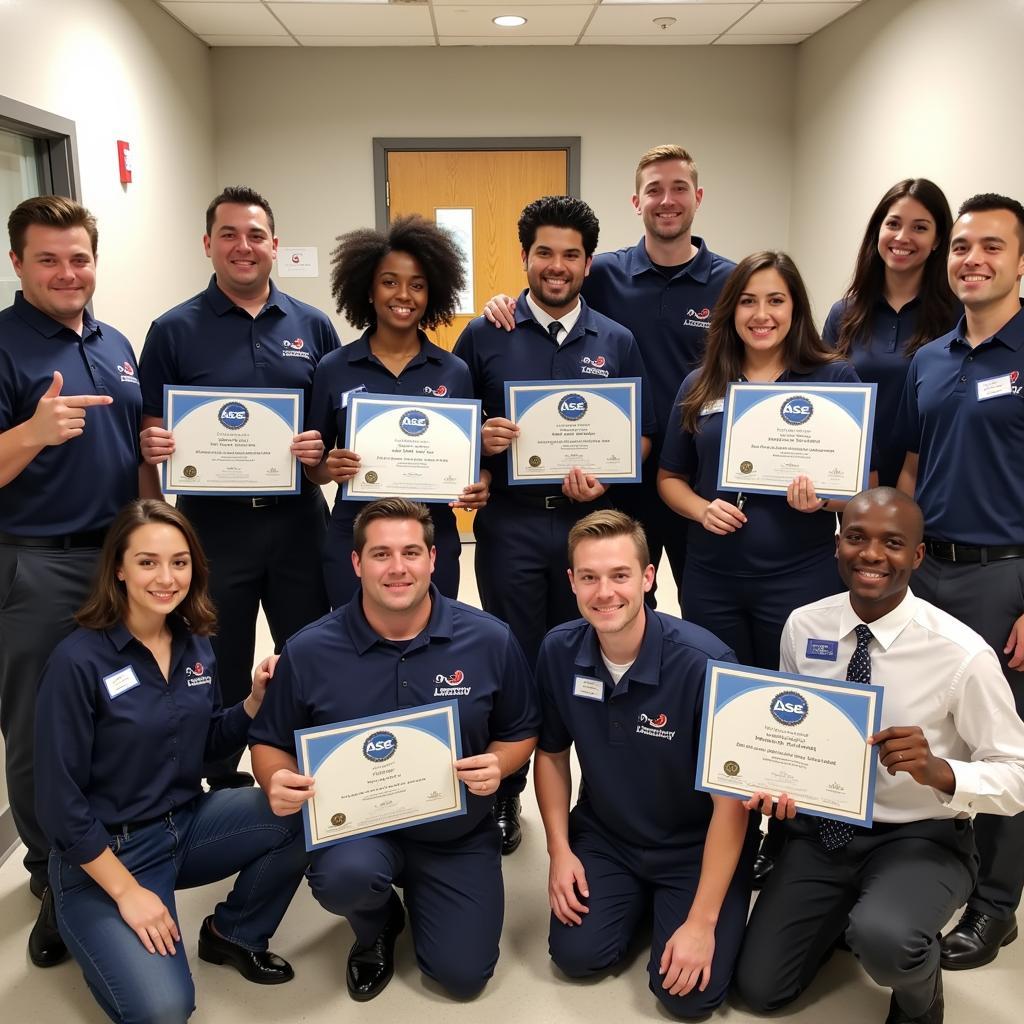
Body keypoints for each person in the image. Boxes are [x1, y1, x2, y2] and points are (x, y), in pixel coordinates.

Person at [734, 487, 1024, 1024]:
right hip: (824, 831)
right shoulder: (804, 626)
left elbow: (1017, 775)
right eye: (857, 538)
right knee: (760, 989)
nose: (871, 554)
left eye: (893, 543)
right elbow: (788, 734)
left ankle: (920, 997)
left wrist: (941, 771)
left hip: (919, 836)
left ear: (917, 556)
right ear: (837, 544)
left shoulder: (962, 654)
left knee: (888, 940)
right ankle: (847, 914)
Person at [250, 497, 538, 1002]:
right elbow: (269, 742)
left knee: (462, 976)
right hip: (359, 831)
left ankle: (432, 897)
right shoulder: (309, 650)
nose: (398, 568)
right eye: (381, 554)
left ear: (434, 558)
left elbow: (520, 730)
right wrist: (274, 778)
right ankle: (376, 922)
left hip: (456, 832)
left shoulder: (489, 639)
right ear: (357, 563)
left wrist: (500, 763)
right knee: (345, 878)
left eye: (411, 552)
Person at [33, 499, 307, 1023]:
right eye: (148, 562)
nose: (166, 577)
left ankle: (234, 932)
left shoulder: (196, 644)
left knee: (301, 811)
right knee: (164, 1011)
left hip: (185, 823)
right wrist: (127, 891)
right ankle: (66, 906)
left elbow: (203, 748)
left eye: (179, 562)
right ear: (118, 568)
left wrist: (252, 702)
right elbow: (58, 801)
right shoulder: (77, 661)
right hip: (106, 853)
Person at [454, 194, 655, 854]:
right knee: (513, 657)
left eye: (571, 254)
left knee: (595, 655)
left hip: (590, 527)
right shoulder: (486, 333)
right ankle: (510, 797)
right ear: (524, 257)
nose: (557, 266)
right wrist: (479, 441)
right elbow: (453, 435)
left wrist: (609, 479)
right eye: (545, 252)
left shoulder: (616, 340)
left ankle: (605, 793)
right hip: (512, 524)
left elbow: (639, 441)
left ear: (589, 262)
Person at [138, 185, 340, 790]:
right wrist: (156, 446)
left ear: (274, 245)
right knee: (212, 658)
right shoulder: (173, 330)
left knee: (307, 649)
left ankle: (308, 768)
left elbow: (329, 433)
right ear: (208, 244)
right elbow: (152, 421)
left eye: (255, 235)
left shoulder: (313, 326)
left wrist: (319, 455)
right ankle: (219, 781)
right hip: (208, 526)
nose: (242, 247)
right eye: (228, 234)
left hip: (296, 520)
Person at [0, 196, 155, 957]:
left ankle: (108, 847)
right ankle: (52, 878)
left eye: (80, 257)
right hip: (36, 564)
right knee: (39, 729)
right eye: (49, 259)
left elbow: (129, 453)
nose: (68, 272)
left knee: (114, 711)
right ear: (17, 264)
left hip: (117, 560)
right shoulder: (1, 346)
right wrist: (28, 434)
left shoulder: (116, 341)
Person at [484, 145, 735, 603]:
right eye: (653, 190)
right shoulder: (607, 274)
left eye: (679, 188)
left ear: (698, 196)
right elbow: (552, 286)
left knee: (703, 600)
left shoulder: (731, 284)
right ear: (636, 202)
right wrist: (505, 303)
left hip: (699, 473)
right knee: (621, 598)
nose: (667, 200)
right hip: (622, 477)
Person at [534, 510, 756, 1018]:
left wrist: (701, 922)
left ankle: (674, 909)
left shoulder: (706, 664)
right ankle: (640, 905)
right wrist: (560, 852)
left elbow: (732, 803)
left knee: (688, 998)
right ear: (571, 582)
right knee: (577, 957)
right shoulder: (558, 651)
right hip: (608, 836)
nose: (604, 592)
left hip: (695, 845)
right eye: (588, 577)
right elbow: (550, 754)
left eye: (620, 575)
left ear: (648, 577)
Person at [897, 192, 1024, 970]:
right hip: (929, 569)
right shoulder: (929, 358)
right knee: (932, 727)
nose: (972, 259)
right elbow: (912, 467)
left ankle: (997, 904)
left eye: (992, 247)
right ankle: (935, 873)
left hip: (1003, 574)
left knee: (999, 741)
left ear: (1020, 261)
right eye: (962, 247)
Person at [307, 215, 488, 608]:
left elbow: (468, 464)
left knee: (432, 643)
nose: (403, 294)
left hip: (431, 536)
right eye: (390, 282)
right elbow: (314, 466)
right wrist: (328, 467)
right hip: (354, 536)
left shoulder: (454, 372)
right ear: (368, 290)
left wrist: (476, 485)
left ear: (432, 294)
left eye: (417, 285)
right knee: (353, 647)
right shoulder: (333, 368)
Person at [823, 178, 959, 485]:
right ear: (878, 232)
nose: (902, 237)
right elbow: (826, 401)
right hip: (856, 481)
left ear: (938, 240)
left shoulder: (958, 314)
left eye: (920, 228)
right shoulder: (843, 314)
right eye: (893, 224)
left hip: (934, 481)